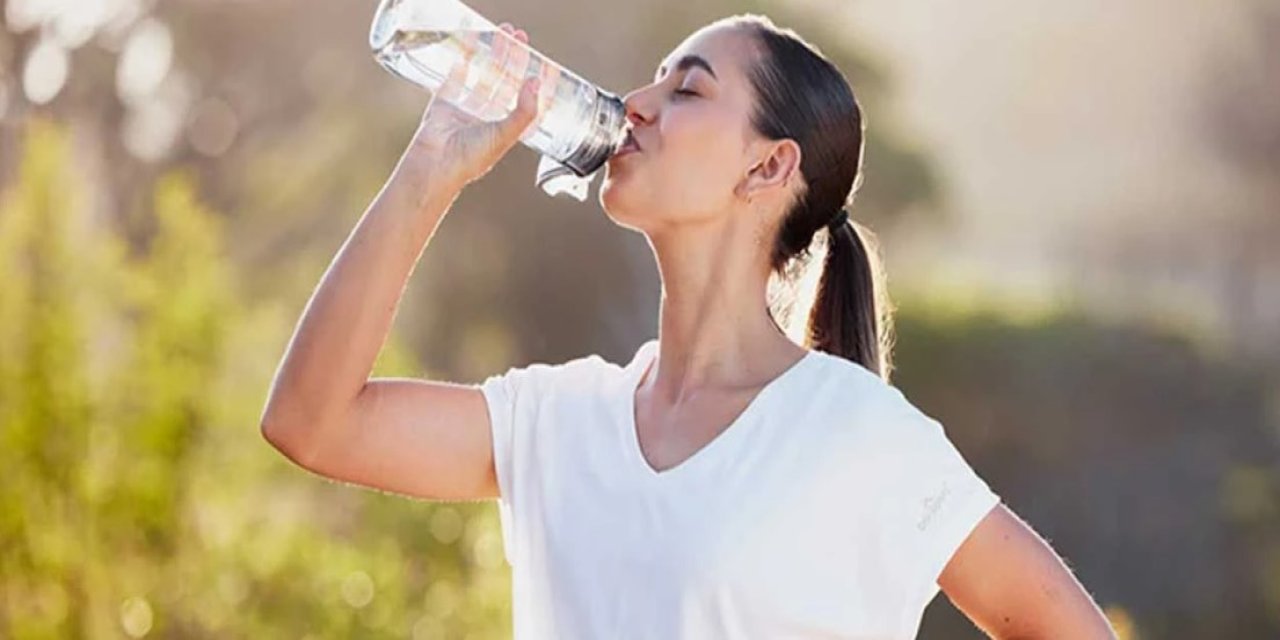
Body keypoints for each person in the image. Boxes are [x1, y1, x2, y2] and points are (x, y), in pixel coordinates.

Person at [260, 13, 1118, 639]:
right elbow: (311, 422)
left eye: (687, 90)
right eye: (654, 82)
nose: (635, 104)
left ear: (769, 164)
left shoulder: (855, 432)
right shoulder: (560, 420)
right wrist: (430, 167)